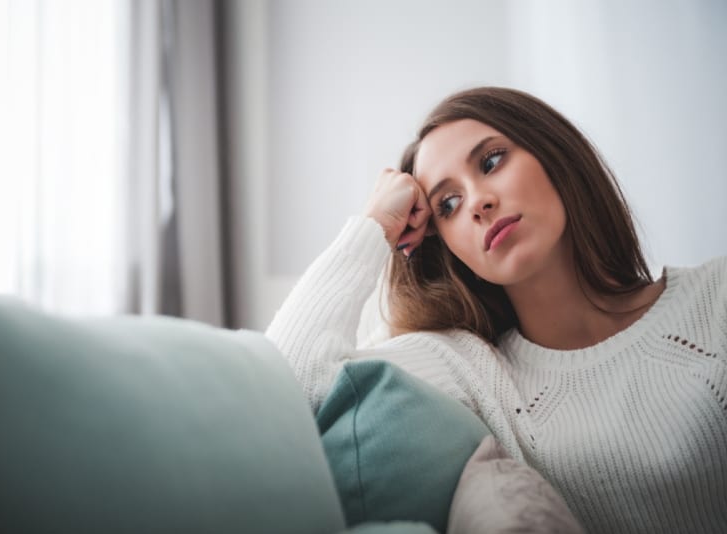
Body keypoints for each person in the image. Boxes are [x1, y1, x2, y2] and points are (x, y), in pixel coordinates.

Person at [266, 87, 727, 533]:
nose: (479, 202)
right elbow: (284, 392)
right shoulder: (473, 370)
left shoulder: (715, 297)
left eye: (491, 161)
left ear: (553, 153)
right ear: (445, 246)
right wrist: (374, 228)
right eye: (448, 203)